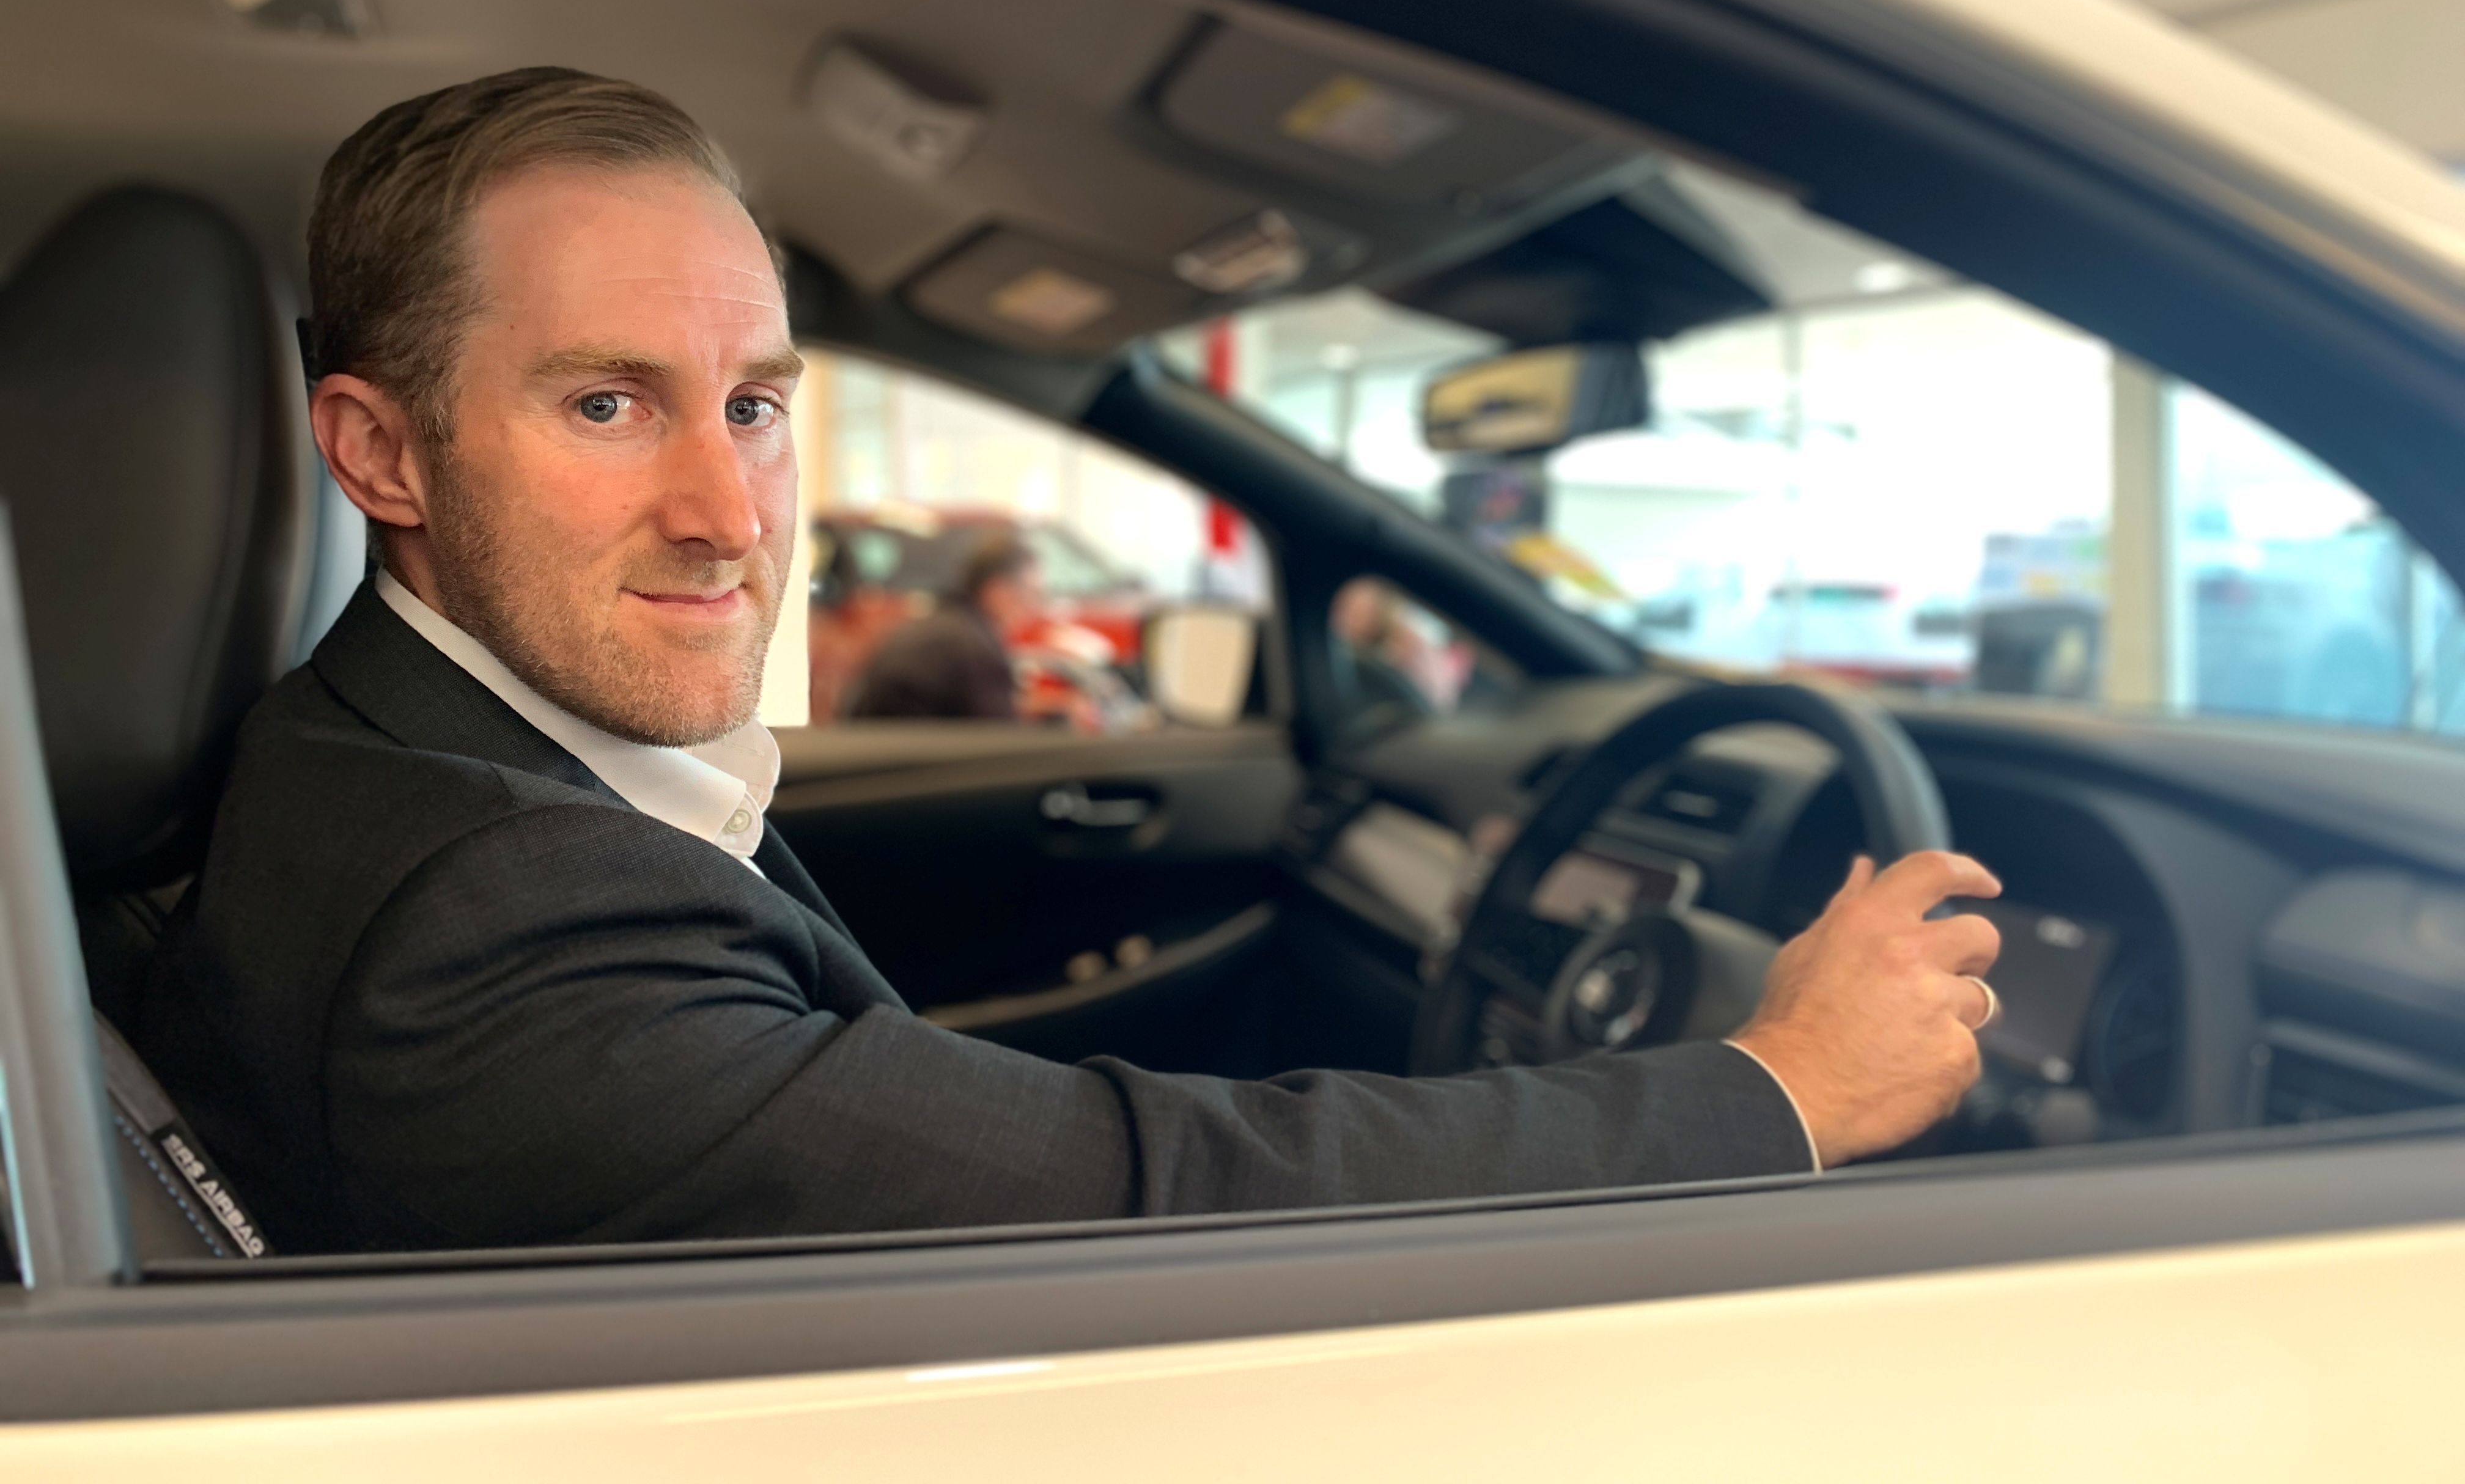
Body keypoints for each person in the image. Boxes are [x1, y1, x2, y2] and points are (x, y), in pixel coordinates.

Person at [140, 67, 2003, 1256]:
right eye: (608, 403)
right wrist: (1776, 1088)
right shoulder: (491, 916)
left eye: (758, 404)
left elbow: (855, 1101)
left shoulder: (387, 761)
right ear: (381, 454)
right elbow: (1133, 1201)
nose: (730, 512)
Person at [842, 531, 1037, 721]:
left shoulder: (945, 625)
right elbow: (999, 733)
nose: (1032, 605)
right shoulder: (972, 646)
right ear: (998, 590)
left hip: (879, 744)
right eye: (1029, 593)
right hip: (908, 750)